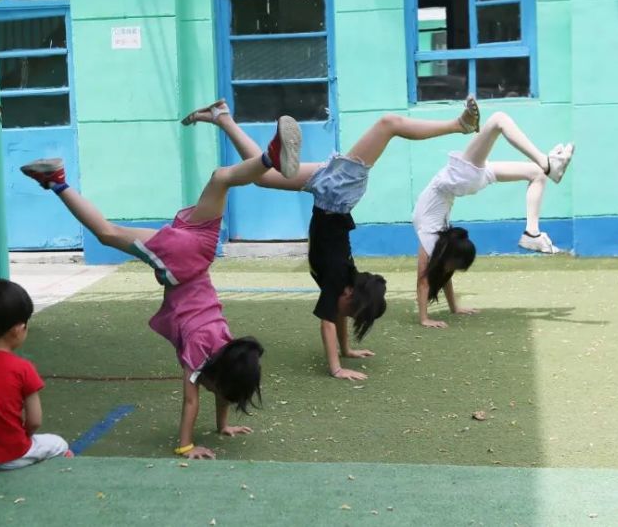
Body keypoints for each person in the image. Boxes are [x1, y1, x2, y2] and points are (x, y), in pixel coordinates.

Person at [22, 115, 303, 459]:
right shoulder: (201, 353)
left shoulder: (226, 348)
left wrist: (222, 427)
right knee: (107, 233)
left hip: (200, 249)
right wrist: (186, 445)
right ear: (219, 381)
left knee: (221, 178)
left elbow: (220, 392)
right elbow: (191, 400)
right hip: (183, 262)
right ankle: (57, 181)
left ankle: (269, 158)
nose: (220, 396)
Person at [181, 97, 480, 380]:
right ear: (350, 295)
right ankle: (460, 124)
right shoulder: (338, 280)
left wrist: (346, 349)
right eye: (351, 311)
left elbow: (336, 315)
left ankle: (223, 117)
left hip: (328, 194)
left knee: (261, 176)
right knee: (389, 124)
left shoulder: (343, 283)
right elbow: (327, 322)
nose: (344, 314)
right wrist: (336, 368)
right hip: (338, 193)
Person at [413, 111, 575, 328]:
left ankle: (532, 232)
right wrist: (425, 319)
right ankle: (547, 164)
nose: (451, 269)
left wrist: (452, 309)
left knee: (536, 175)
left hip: (461, 179)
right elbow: (426, 281)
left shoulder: (435, 240)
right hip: (458, 178)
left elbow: (429, 280)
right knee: (498, 120)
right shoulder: (434, 238)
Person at [0, 279, 71, 470]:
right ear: (18, 330)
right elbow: (34, 421)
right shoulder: (23, 368)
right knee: (59, 444)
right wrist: (23, 438)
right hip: (12, 454)